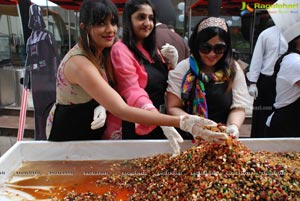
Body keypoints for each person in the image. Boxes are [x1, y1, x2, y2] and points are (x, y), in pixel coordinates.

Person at [46, 0, 228, 156]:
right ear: (84, 27)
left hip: (97, 127)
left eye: (113, 23)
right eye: (101, 23)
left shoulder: (104, 51)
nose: (110, 30)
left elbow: (110, 84)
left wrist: (172, 65)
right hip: (70, 128)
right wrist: (182, 121)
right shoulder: (80, 62)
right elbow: (122, 106)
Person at [166, 17, 251, 139]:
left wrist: (233, 127)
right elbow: (173, 107)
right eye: (205, 48)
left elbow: (238, 107)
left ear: (226, 48)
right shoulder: (184, 69)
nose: (212, 54)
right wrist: (195, 127)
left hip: (222, 138)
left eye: (219, 49)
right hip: (188, 138)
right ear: (197, 45)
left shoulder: (233, 70)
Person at [23, 4, 60, 140]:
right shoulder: (30, 40)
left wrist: (56, 76)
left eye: (39, 17)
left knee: (50, 108)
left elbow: (55, 56)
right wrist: (26, 78)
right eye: (34, 18)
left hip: (49, 78)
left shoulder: (47, 35)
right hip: (37, 80)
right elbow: (28, 60)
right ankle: (40, 136)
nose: (37, 20)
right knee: (38, 110)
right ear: (31, 20)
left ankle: (51, 134)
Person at [246, 25, 288, 138]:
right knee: (262, 114)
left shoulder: (295, 34)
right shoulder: (266, 34)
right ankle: (259, 141)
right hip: (267, 80)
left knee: (283, 114)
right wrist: (253, 82)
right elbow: (257, 57)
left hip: (287, 80)